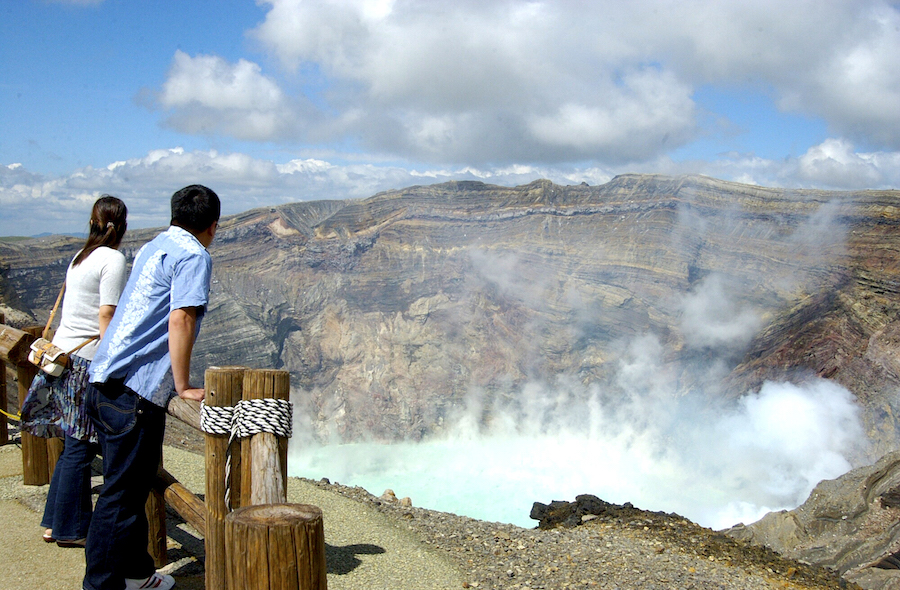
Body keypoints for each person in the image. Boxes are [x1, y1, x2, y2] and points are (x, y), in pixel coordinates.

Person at [83, 185, 219, 590]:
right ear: (212, 225)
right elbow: (181, 319)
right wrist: (182, 384)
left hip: (104, 378)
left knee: (130, 487)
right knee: (121, 499)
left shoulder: (151, 246)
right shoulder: (194, 254)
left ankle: (137, 574)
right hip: (135, 391)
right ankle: (102, 585)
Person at [21, 195, 128, 548]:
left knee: (72, 445)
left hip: (64, 356)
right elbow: (106, 317)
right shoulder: (113, 259)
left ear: (92, 223)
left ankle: (55, 522)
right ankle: (70, 529)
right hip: (86, 361)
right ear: (121, 226)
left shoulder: (80, 257)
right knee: (81, 447)